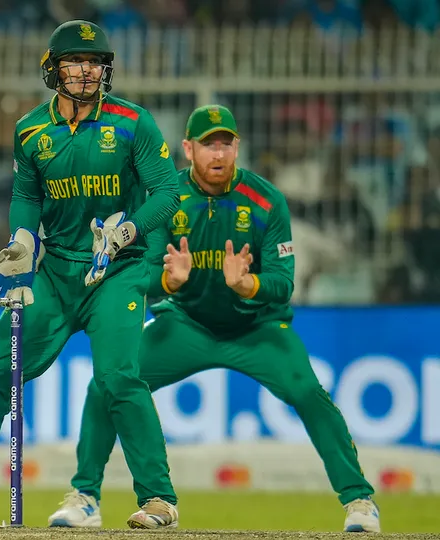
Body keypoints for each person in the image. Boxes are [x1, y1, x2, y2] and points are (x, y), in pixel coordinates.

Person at [47, 105, 381, 533]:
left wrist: (249, 286)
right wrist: (169, 279)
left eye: (226, 143)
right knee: (106, 383)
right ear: (187, 149)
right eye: (208, 144)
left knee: (309, 392)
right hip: (186, 324)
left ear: (238, 147)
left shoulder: (265, 201)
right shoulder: (166, 202)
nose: (218, 153)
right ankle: (86, 499)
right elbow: (139, 278)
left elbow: (283, 282)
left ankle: (359, 501)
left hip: (258, 328)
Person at [0, 20, 182, 529]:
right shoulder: (31, 129)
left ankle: (159, 499)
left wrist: (129, 229)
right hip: (55, 272)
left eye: (95, 63)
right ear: (52, 68)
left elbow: (168, 191)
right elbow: (28, 196)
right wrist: (21, 240)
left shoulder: (132, 122)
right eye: (76, 62)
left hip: (116, 270)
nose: (86, 71)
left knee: (119, 377)